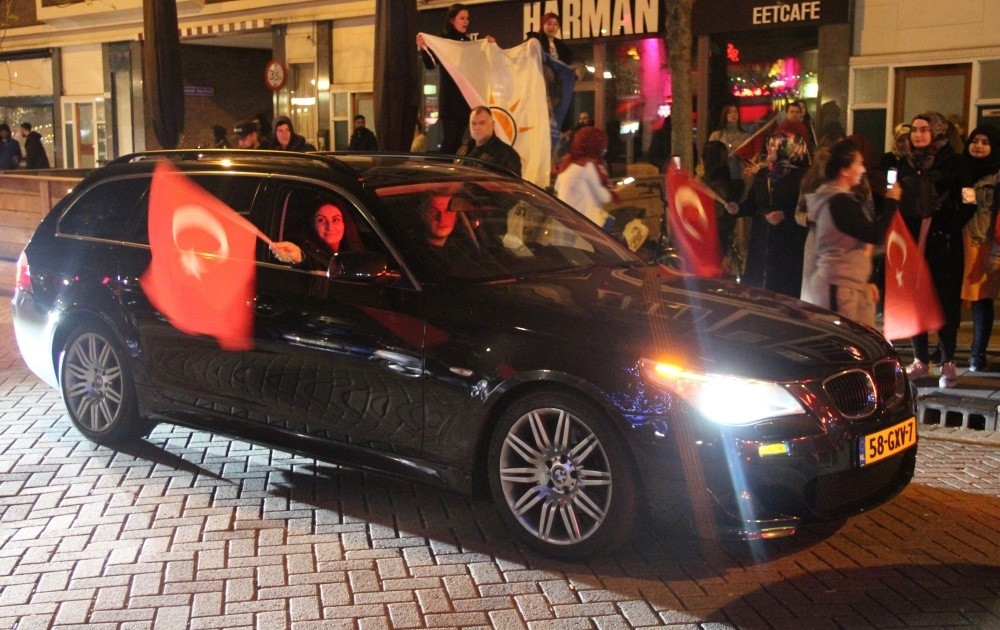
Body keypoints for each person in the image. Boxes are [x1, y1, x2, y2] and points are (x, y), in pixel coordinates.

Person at [897, 111, 971, 388]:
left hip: (944, 241)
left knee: (945, 299)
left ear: (937, 132)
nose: (918, 135)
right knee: (915, 299)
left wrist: (949, 227)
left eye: (924, 129)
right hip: (911, 239)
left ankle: (947, 360)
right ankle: (920, 359)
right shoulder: (904, 162)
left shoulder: (956, 162)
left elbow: (969, 201)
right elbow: (893, 193)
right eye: (914, 129)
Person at [800, 139, 901, 328]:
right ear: (845, 170)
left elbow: (858, 244)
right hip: (838, 287)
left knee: (864, 338)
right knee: (844, 340)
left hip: (850, 285)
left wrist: (865, 281)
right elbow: (873, 234)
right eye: (859, 163)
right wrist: (891, 203)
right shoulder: (838, 202)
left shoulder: (843, 200)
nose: (863, 170)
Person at [729, 129, 810, 297]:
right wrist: (738, 208)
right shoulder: (763, 174)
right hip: (761, 243)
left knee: (783, 291)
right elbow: (753, 203)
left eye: (775, 145)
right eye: (769, 144)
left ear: (790, 148)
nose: (769, 149)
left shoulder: (803, 177)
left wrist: (785, 215)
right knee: (759, 291)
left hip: (788, 245)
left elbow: (807, 211)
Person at [417, 3, 494, 155]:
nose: (466, 22)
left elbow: (479, 64)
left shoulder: (467, 42)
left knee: (461, 140)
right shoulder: (443, 40)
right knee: (450, 140)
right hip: (450, 101)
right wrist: (423, 48)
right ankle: (442, 168)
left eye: (467, 18)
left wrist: (488, 45)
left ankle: (454, 165)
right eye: (462, 18)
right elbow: (431, 65)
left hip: (465, 100)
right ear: (452, 20)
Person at [959, 126, 1000, 372]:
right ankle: (945, 351)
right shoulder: (961, 169)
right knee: (952, 297)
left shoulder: (997, 176)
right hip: (959, 241)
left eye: (986, 142)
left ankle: (977, 353)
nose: (979, 146)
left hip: (983, 243)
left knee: (981, 300)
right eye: (975, 141)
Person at [553, 126, 618, 229]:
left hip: (565, 224)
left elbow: (557, 188)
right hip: (586, 227)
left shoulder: (567, 163)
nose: (605, 150)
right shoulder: (588, 166)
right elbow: (605, 197)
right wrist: (612, 189)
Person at [270, 202, 361, 270]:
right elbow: (310, 263)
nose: (330, 227)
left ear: (345, 223)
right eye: (321, 220)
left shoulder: (354, 249)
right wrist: (299, 257)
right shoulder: (309, 251)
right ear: (313, 225)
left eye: (336, 220)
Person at [455, 106, 522, 176]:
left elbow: (512, 182)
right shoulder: (463, 150)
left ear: (492, 125)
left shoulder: (506, 154)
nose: (477, 127)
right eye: (473, 123)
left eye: (482, 123)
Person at [708, 104, 750, 199]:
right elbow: (710, 155)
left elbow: (748, 157)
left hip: (737, 175)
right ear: (725, 115)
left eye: (735, 112)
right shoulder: (716, 135)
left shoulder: (744, 136)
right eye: (730, 112)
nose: (733, 114)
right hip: (720, 176)